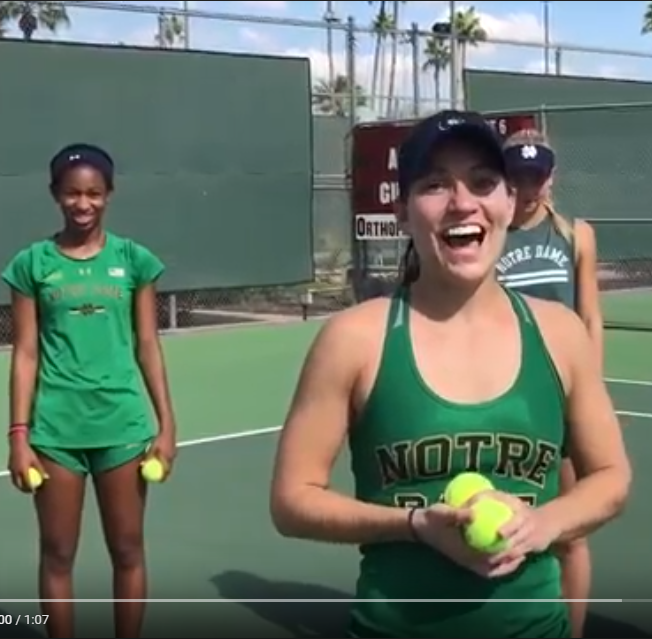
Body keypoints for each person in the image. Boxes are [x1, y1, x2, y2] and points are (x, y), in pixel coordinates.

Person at [270, 110, 631, 639]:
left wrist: (541, 525)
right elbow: (292, 500)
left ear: (509, 201)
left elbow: (611, 477)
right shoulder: (354, 338)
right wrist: (415, 526)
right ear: (401, 211)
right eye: (436, 184)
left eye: (483, 182)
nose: (463, 202)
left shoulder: (561, 333)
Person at [3, 143, 178, 639]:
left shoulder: (134, 260)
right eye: (72, 193)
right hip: (55, 433)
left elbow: (148, 344)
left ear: (110, 195)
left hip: (123, 428)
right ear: (56, 194)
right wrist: (19, 435)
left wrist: (167, 425)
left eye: (94, 194)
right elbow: (25, 354)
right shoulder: (30, 264)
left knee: (127, 549)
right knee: (57, 555)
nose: (83, 204)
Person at [498, 128, 603, 638]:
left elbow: (590, 318)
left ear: (550, 177)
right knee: (501, 528)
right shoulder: (487, 233)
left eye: (535, 176)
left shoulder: (575, 234)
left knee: (570, 530)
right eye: (517, 176)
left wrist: (591, 392)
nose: (526, 187)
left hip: (560, 396)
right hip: (501, 397)